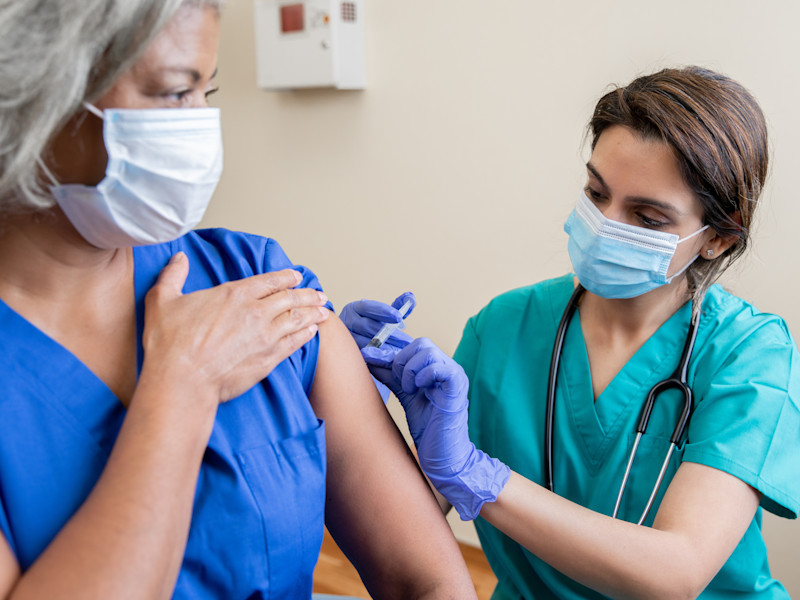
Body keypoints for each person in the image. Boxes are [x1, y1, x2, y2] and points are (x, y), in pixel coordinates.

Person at [0, 1, 479, 598]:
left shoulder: (251, 278)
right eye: (176, 94)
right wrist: (180, 390)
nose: (201, 125)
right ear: (33, 94)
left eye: (209, 90)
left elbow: (428, 582)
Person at [341, 66, 800, 599]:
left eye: (648, 218)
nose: (606, 223)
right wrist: (351, 398)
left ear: (718, 238)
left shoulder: (750, 355)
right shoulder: (504, 327)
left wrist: (478, 475)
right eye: (596, 192)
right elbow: (404, 524)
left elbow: (677, 572)